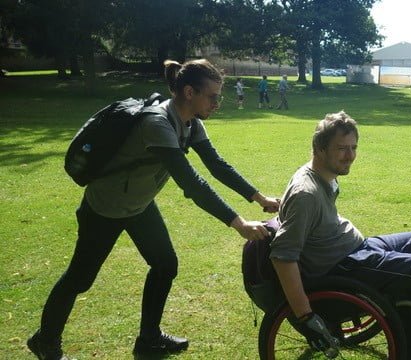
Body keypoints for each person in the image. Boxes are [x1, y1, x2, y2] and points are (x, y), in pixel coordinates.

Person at [27, 59, 280, 360]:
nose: (217, 103)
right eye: (212, 96)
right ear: (189, 92)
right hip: (106, 207)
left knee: (164, 265)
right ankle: (46, 341)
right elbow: (191, 182)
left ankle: (149, 339)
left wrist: (259, 197)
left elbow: (216, 165)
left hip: (139, 205)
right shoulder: (156, 123)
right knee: (80, 278)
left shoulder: (190, 123)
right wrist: (238, 223)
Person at [269, 111, 411, 359]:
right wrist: (306, 316)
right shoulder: (306, 194)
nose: (350, 156)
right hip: (341, 268)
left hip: (354, 249)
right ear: (320, 149)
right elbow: (282, 256)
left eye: (354, 147)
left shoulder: (323, 175)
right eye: (342, 148)